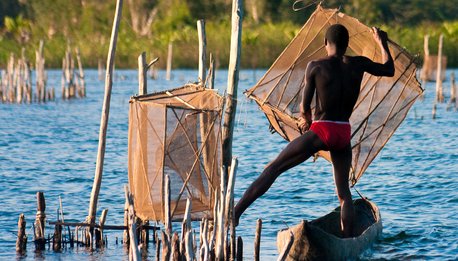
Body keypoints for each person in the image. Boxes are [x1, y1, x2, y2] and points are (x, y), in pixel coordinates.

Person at [234, 24, 394, 237]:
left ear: (325, 44)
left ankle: (235, 214)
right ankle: (347, 240)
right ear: (347, 45)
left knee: (273, 169)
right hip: (343, 132)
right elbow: (389, 69)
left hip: (322, 129)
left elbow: (304, 108)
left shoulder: (315, 66)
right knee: (344, 194)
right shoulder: (358, 64)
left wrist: (305, 121)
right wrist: (381, 43)